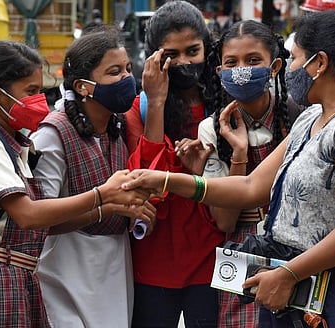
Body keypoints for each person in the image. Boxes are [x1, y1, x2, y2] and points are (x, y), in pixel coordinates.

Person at [124, 10, 335, 328]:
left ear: (320, 63)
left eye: (295, 58)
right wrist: (167, 180)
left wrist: (290, 273)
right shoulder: (312, 119)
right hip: (296, 284)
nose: (289, 69)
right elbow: (250, 187)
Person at [0, 39, 151, 327]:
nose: (39, 100)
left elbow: (42, 223)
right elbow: (29, 215)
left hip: (17, 276)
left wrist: (108, 205)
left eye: (40, 90)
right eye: (30, 91)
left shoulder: (14, 143)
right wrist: (102, 195)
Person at [30, 27, 156, 328]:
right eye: (114, 72)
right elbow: (41, 220)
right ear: (84, 86)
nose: (127, 78)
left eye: (127, 69)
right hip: (66, 268)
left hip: (114, 265)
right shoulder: (53, 134)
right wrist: (107, 206)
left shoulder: (118, 126)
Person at [124, 1, 224, 327]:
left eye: (192, 51)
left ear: (207, 49)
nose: (183, 62)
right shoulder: (139, 106)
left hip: (212, 253)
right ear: (155, 56)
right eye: (172, 55)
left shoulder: (223, 103)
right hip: (155, 255)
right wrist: (156, 101)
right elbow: (147, 176)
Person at [200, 20, 297, 327]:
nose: (242, 69)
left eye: (253, 60)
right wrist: (239, 155)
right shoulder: (211, 129)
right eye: (232, 63)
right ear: (220, 73)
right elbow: (226, 222)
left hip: (295, 250)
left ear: (275, 66)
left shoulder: (300, 120)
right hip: (242, 253)